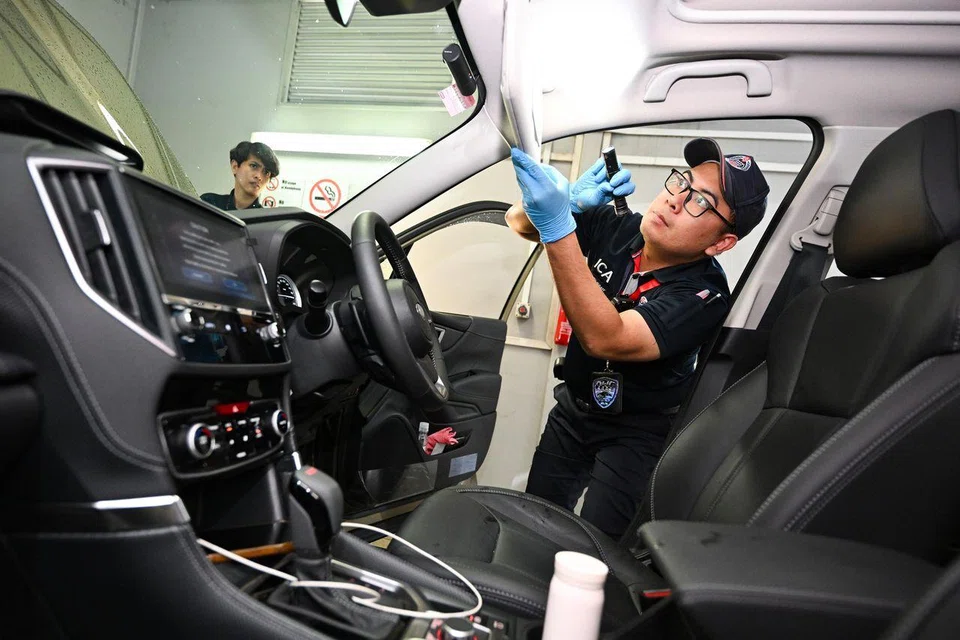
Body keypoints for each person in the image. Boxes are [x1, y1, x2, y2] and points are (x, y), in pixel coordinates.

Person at [506, 138, 770, 539]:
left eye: (701, 201)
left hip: (636, 434)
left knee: (598, 546)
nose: (675, 200)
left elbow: (606, 339)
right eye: (681, 182)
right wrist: (571, 206)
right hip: (573, 411)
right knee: (531, 522)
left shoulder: (704, 296)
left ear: (721, 243)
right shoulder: (621, 229)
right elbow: (519, 223)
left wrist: (560, 226)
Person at [201, 141, 280, 210]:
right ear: (234, 166)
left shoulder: (266, 221)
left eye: (266, 172)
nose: (259, 176)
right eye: (254, 166)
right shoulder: (209, 203)